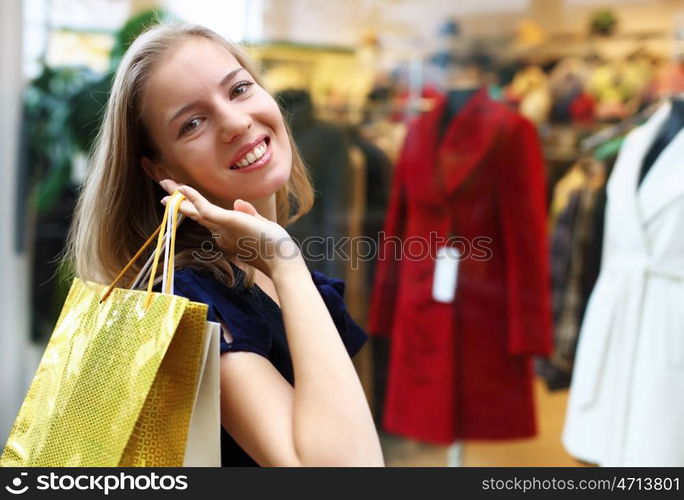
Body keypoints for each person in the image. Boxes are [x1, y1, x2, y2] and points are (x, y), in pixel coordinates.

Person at [64, 22, 384, 467]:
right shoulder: (191, 299)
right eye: (192, 123)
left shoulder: (279, 279)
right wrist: (285, 262)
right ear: (158, 169)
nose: (235, 122)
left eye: (238, 89)